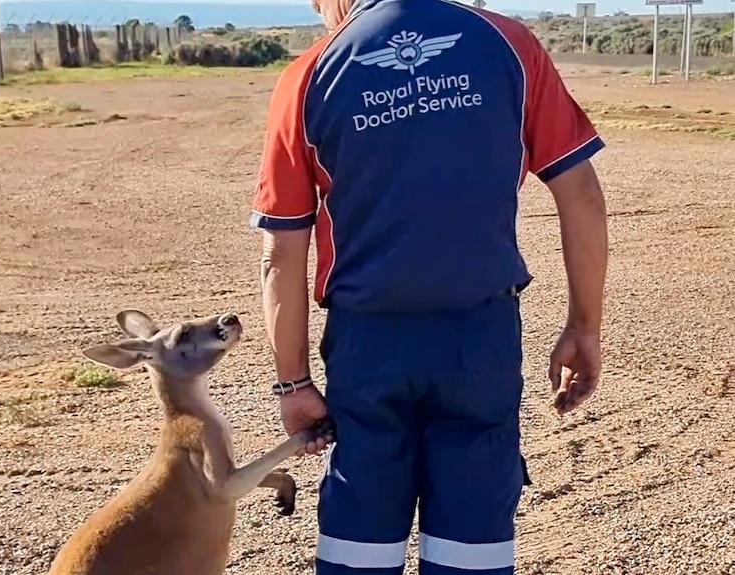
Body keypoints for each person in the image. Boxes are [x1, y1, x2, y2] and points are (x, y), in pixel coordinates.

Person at [249, 0, 609, 572]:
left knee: (359, 535)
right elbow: (581, 194)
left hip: (368, 346)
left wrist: (292, 383)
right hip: (478, 339)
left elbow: (281, 252)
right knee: (474, 537)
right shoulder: (508, 45)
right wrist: (584, 325)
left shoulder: (309, 75)